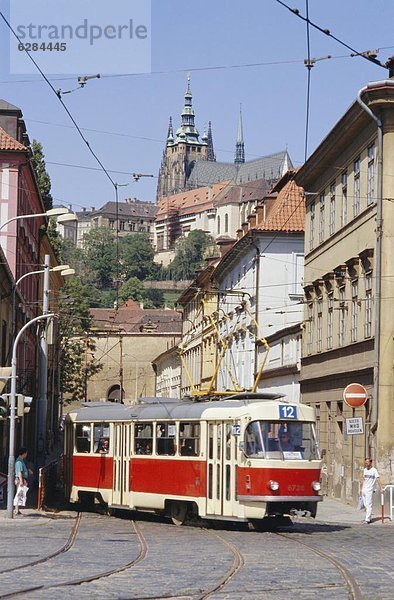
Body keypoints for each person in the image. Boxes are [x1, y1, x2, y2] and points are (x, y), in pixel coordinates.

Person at [361, 457, 382, 524]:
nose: (366, 464)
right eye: (365, 462)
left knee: (369, 504)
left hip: (369, 490)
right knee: (365, 504)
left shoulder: (374, 470)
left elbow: (377, 479)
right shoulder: (365, 470)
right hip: (364, 489)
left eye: (367, 462)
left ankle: (367, 519)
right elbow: (364, 479)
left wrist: (381, 487)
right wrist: (361, 488)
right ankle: (369, 516)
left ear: (370, 462)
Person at [13, 447, 32, 516]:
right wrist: (21, 481)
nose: (26, 454)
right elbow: (19, 472)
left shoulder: (21, 461)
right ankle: (16, 510)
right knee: (19, 494)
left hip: (22, 478)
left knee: (20, 494)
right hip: (20, 479)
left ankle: (17, 509)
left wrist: (28, 470)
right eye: (26, 453)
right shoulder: (19, 462)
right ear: (23, 453)